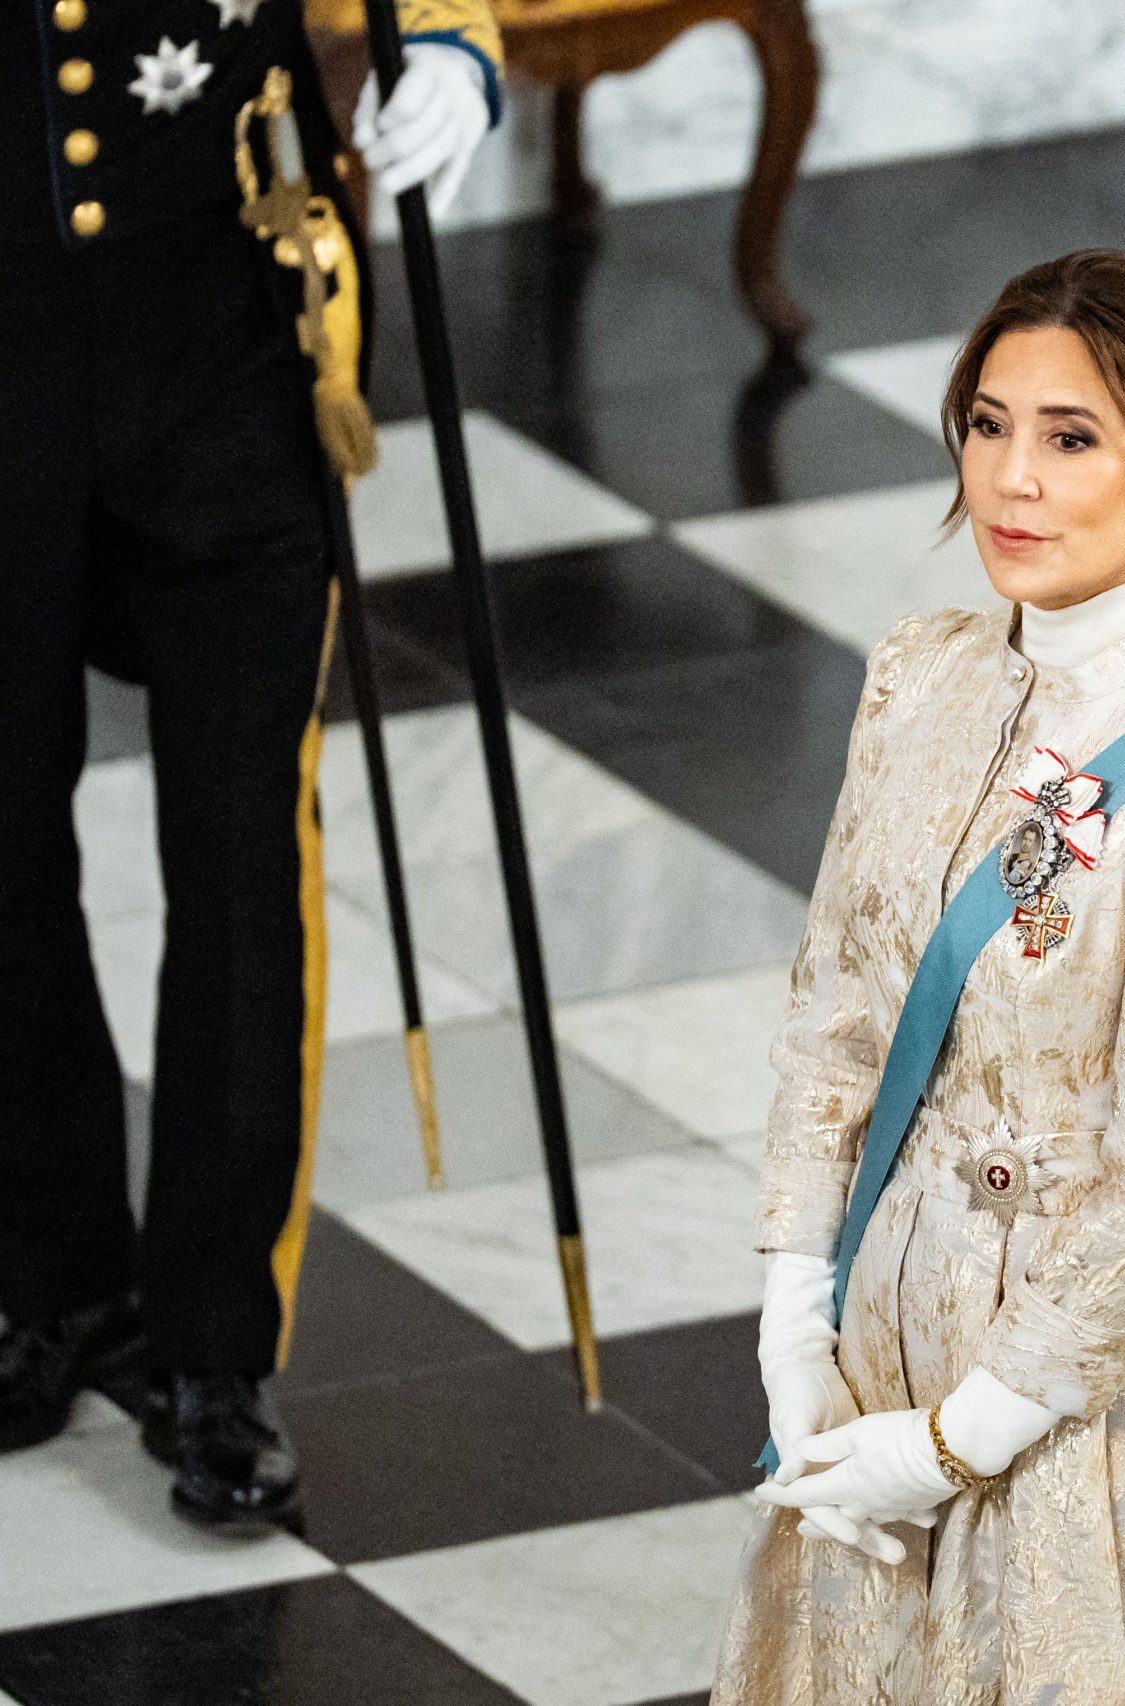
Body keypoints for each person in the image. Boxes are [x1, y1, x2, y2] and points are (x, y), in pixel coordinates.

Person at [713, 249, 1125, 1705]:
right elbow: (837, 1021)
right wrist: (792, 1323)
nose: (1012, 478)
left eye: (1072, 439)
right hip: (879, 1311)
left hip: (1076, 1383)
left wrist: (959, 1438)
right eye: (988, 423)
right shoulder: (919, 676)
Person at [0, 0, 498, 1530]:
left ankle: (216, 1342)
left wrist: (458, 58)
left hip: (226, 330)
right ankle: (47, 1276)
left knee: (239, 845)